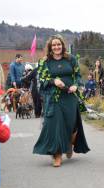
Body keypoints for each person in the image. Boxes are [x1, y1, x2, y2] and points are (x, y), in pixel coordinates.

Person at [33, 34, 90, 167]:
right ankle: (57, 154)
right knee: (55, 125)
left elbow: (77, 75)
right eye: (54, 45)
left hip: (70, 96)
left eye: (58, 44)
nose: (56, 46)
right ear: (50, 47)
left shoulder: (71, 59)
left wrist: (76, 85)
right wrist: (53, 81)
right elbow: (41, 79)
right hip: (54, 98)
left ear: (62, 45)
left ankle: (69, 143)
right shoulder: (44, 61)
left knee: (70, 125)